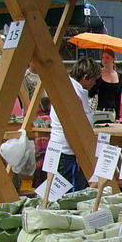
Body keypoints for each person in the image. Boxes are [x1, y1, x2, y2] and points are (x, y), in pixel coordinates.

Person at [49, 56, 100, 191]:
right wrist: (79, 151)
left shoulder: (71, 89)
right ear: (86, 77)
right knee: (68, 193)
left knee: (62, 191)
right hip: (67, 152)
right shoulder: (73, 93)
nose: (94, 83)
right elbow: (69, 127)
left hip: (63, 149)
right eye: (93, 79)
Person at [93, 48, 122, 120]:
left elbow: (118, 97)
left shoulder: (119, 76)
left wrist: (118, 116)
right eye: (103, 58)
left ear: (113, 59)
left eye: (107, 58)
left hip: (112, 111)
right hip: (100, 110)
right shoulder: (98, 74)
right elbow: (92, 92)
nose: (104, 60)